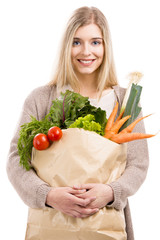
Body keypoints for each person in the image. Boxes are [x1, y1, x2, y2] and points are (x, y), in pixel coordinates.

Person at [6, 6, 149, 240]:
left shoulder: (125, 101)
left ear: (106, 46)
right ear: (66, 47)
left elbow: (138, 163)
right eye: (76, 42)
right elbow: (15, 161)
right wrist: (48, 195)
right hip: (51, 223)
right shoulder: (41, 99)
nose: (86, 51)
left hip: (105, 222)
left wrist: (111, 192)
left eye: (95, 42)